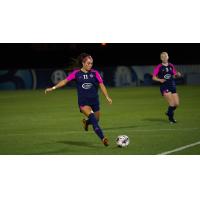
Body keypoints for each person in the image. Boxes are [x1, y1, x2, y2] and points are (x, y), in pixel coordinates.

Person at [45, 53, 112, 146]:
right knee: (93, 118)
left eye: (91, 63)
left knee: (96, 120)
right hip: (84, 103)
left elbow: (101, 85)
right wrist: (53, 88)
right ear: (83, 63)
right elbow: (65, 81)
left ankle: (86, 122)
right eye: (88, 63)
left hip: (95, 101)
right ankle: (103, 138)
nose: (90, 65)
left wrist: (107, 96)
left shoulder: (95, 73)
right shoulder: (76, 73)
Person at [152, 52, 181, 123]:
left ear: (168, 57)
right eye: (162, 56)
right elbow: (153, 77)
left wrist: (178, 75)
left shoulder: (171, 65)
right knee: (172, 104)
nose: (164, 57)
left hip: (172, 86)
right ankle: (171, 119)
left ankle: (169, 112)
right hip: (164, 87)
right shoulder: (159, 67)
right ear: (161, 58)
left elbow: (174, 75)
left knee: (176, 104)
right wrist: (160, 80)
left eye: (165, 56)